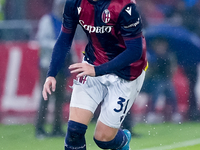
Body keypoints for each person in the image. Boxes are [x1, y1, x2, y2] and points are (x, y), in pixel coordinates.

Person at [42, 0, 148, 149]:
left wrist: (97, 71)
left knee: (103, 140)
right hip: (93, 64)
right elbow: (65, 39)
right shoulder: (73, 3)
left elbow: (135, 51)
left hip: (126, 73)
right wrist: (51, 73)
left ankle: (123, 141)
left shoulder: (125, 6)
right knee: (74, 132)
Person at [35, 0, 72, 138]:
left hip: (62, 66)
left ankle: (57, 127)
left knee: (60, 98)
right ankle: (40, 128)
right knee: (45, 97)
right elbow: (41, 40)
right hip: (48, 65)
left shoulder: (67, 22)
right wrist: (57, 46)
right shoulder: (48, 20)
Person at [145, 38, 182, 123]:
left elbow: (173, 70)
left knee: (170, 91)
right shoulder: (151, 55)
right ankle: (152, 113)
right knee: (158, 89)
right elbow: (148, 71)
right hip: (152, 80)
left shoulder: (169, 55)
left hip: (166, 79)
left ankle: (175, 113)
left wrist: (169, 69)